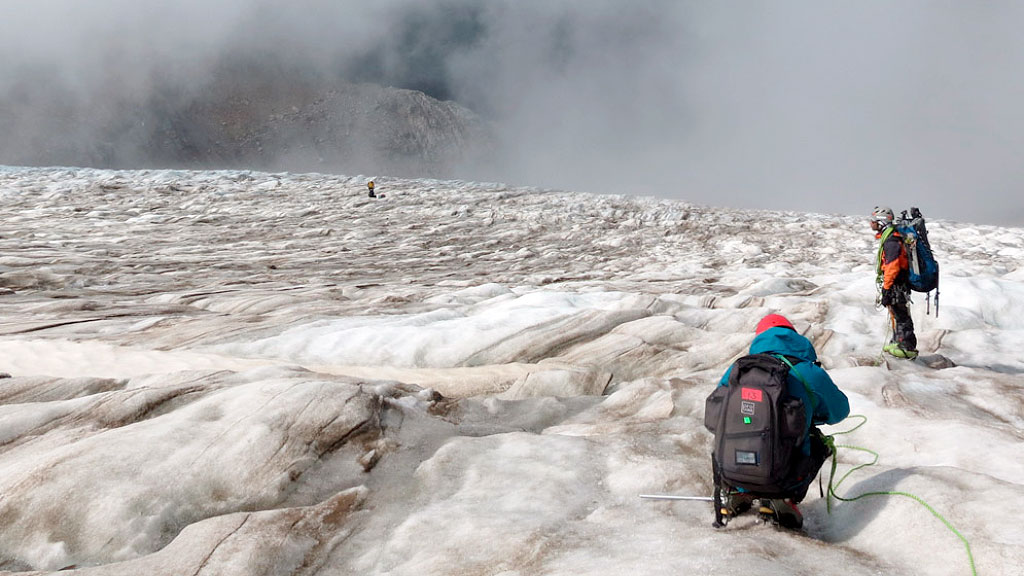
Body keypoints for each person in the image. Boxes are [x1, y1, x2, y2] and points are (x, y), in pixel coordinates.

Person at [714, 314, 850, 529]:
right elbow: (840, 411)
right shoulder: (808, 372)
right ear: (793, 337)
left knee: (727, 432)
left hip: (731, 467)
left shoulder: (738, 369)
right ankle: (780, 498)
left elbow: (715, 414)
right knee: (816, 441)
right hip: (784, 475)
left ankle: (734, 491)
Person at [871, 206, 918, 359]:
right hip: (897, 284)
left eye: (874, 221)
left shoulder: (891, 240)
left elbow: (892, 265)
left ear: (881, 221)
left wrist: (886, 287)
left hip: (896, 284)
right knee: (897, 314)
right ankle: (898, 341)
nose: (871, 224)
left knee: (901, 316)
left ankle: (906, 345)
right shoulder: (891, 237)